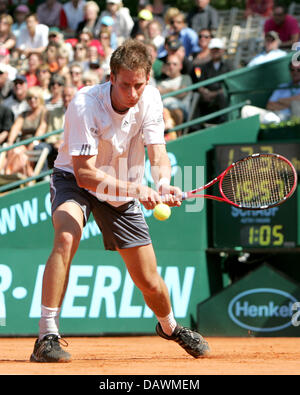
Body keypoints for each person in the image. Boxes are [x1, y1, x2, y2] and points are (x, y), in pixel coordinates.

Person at [29, 39, 210, 363]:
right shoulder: (85, 103)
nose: (133, 93)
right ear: (111, 77)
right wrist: (139, 190)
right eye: (125, 85)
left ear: (147, 81)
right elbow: (85, 174)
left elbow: (158, 153)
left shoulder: (151, 99)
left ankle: (169, 327)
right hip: (76, 180)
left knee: (150, 281)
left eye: (139, 85)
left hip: (121, 191)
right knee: (66, 236)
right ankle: (47, 336)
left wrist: (164, 183)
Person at [2, 86, 48, 177]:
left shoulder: (44, 112)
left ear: (40, 98)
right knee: (14, 150)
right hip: (22, 144)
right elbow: (15, 128)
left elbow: (42, 127)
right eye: (29, 98)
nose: (32, 100)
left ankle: (13, 173)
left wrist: (34, 142)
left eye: (35, 98)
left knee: (18, 152)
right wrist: (10, 142)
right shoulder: (24, 114)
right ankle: (11, 174)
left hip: (35, 143)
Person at [197, 38, 234, 124]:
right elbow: (200, 84)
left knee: (222, 95)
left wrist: (215, 93)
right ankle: (195, 125)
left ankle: (224, 120)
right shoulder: (205, 66)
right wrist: (204, 92)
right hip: (208, 96)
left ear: (222, 50)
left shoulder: (229, 65)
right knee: (197, 97)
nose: (215, 52)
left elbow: (232, 84)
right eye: (213, 50)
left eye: (217, 50)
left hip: (223, 95)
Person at [157, 53, 193, 131]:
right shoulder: (162, 81)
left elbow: (181, 94)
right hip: (162, 112)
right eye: (169, 64)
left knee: (176, 111)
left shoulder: (185, 78)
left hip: (180, 110)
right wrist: (173, 90)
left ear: (180, 66)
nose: (171, 67)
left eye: (174, 64)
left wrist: (164, 91)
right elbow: (156, 94)